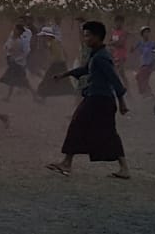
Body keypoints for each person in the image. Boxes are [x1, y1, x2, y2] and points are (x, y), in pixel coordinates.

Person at [47, 20, 131, 179]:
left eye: (87, 36)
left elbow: (114, 79)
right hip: (96, 98)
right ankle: (67, 162)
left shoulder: (102, 57)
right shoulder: (97, 54)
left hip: (100, 100)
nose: (85, 39)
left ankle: (67, 163)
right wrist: (64, 75)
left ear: (98, 37)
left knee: (81, 125)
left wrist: (122, 102)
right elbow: (85, 69)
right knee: (99, 131)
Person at [0, 23, 34, 101]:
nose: (14, 30)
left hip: (18, 64)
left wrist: (17, 59)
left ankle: (35, 96)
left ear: (19, 31)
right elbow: (7, 47)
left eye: (15, 29)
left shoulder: (21, 41)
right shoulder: (13, 39)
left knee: (23, 81)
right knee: (15, 80)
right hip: (15, 63)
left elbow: (25, 52)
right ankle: (8, 97)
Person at [133, 26, 155, 96]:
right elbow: (133, 49)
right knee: (143, 79)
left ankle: (146, 93)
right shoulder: (140, 43)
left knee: (139, 77)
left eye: (148, 32)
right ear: (142, 34)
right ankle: (148, 94)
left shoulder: (152, 43)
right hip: (143, 64)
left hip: (149, 64)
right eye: (145, 32)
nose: (147, 34)